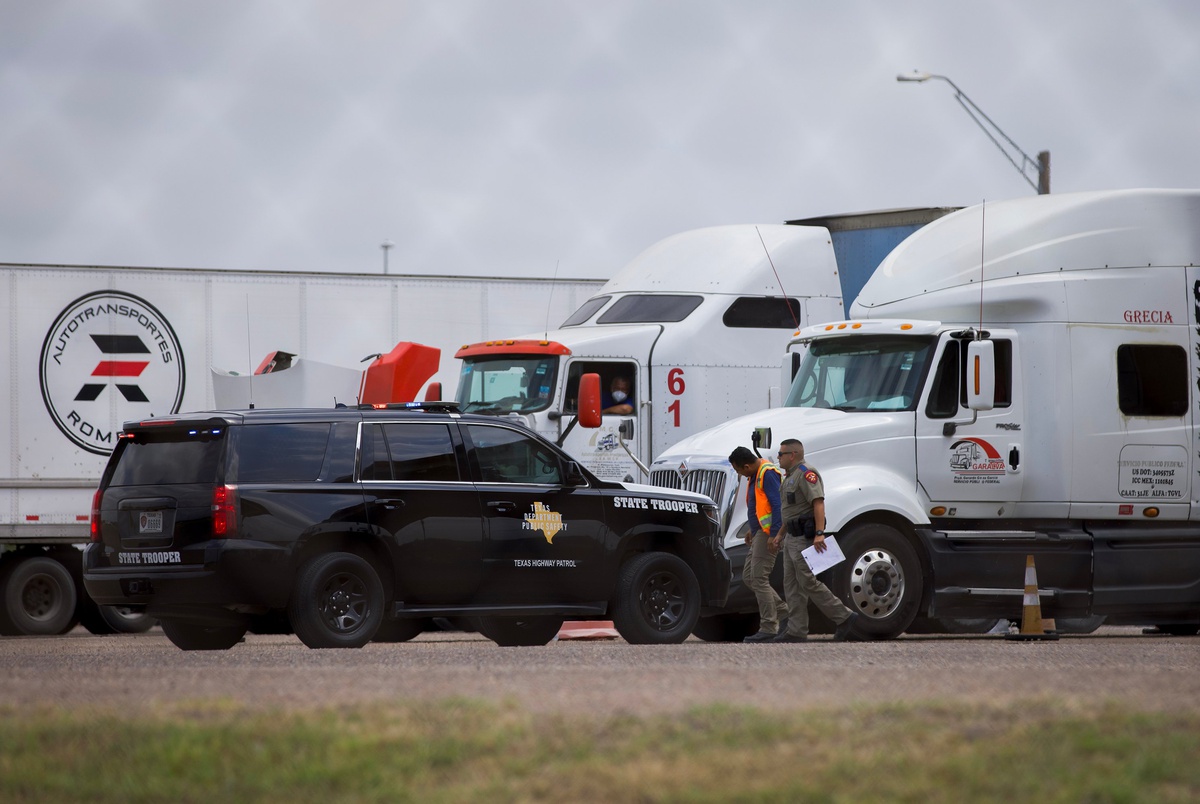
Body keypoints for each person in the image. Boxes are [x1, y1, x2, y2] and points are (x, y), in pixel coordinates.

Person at [770, 439, 859, 642]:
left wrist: (820, 533)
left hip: (804, 537)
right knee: (791, 585)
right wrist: (780, 534)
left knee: (808, 582)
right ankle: (796, 630)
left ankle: (844, 616)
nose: (778, 457)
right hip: (791, 537)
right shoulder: (790, 477)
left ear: (792, 455)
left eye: (781, 454)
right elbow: (790, 511)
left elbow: (818, 503)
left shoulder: (806, 473)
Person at [728, 446, 788, 642]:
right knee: (749, 577)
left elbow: (777, 505)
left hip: (767, 534)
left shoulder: (767, 473)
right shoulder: (755, 474)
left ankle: (769, 627)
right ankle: (784, 612)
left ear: (746, 466)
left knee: (759, 578)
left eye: (738, 470)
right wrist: (751, 529)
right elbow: (760, 506)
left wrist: (774, 535)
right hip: (758, 533)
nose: (739, 474)